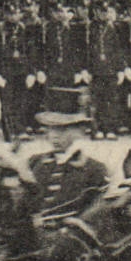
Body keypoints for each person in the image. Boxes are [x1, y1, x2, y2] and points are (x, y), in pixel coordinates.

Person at [27, 87, 110, 219]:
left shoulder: (94, 169)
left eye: (62, 130)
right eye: (51, 129)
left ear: (79, 131)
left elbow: (98, 210)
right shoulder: (34, 162)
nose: (54, 136)